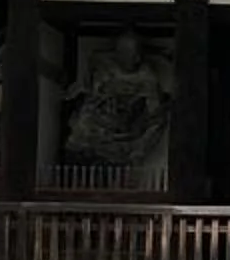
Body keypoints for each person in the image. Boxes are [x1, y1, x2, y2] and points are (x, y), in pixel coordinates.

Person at [64, 31, 169, 168]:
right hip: (94, 122)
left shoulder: (146, 79)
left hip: (121, 129)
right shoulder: (103, 65)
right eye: (119, 51)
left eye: (127, 53)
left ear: (137, 57)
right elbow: (88, 88)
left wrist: (140, 149)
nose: (121, 57)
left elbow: (155, 116)